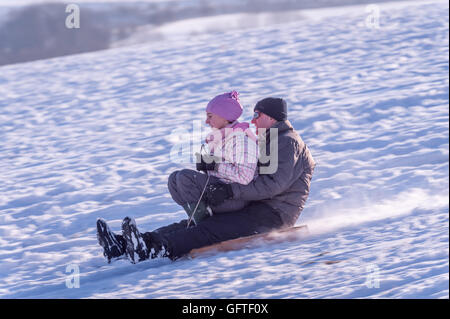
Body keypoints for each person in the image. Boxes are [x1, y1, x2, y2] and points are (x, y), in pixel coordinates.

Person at [97, 97, 316, 264]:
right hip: (257, 207)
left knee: (209, 229)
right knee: (191, 224)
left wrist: (230, 192)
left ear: (271, 117)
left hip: (273, 214)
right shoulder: (269, 140)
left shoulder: (286, 143)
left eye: (257, 115)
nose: (252, 120)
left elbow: (272, 185)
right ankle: (127, 245)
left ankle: (155, 249)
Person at [168, 91, 258, 226]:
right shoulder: (221, 138)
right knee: (174, 179)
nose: (206, 121)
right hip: (218, 192)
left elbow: (245, 177)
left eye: (210, 116)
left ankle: (205, 225)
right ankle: (199, 217)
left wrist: (215, 165)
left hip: (234, 197)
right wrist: (207, 167)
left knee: (185, 177)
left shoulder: (242, 139)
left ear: (225, 117)